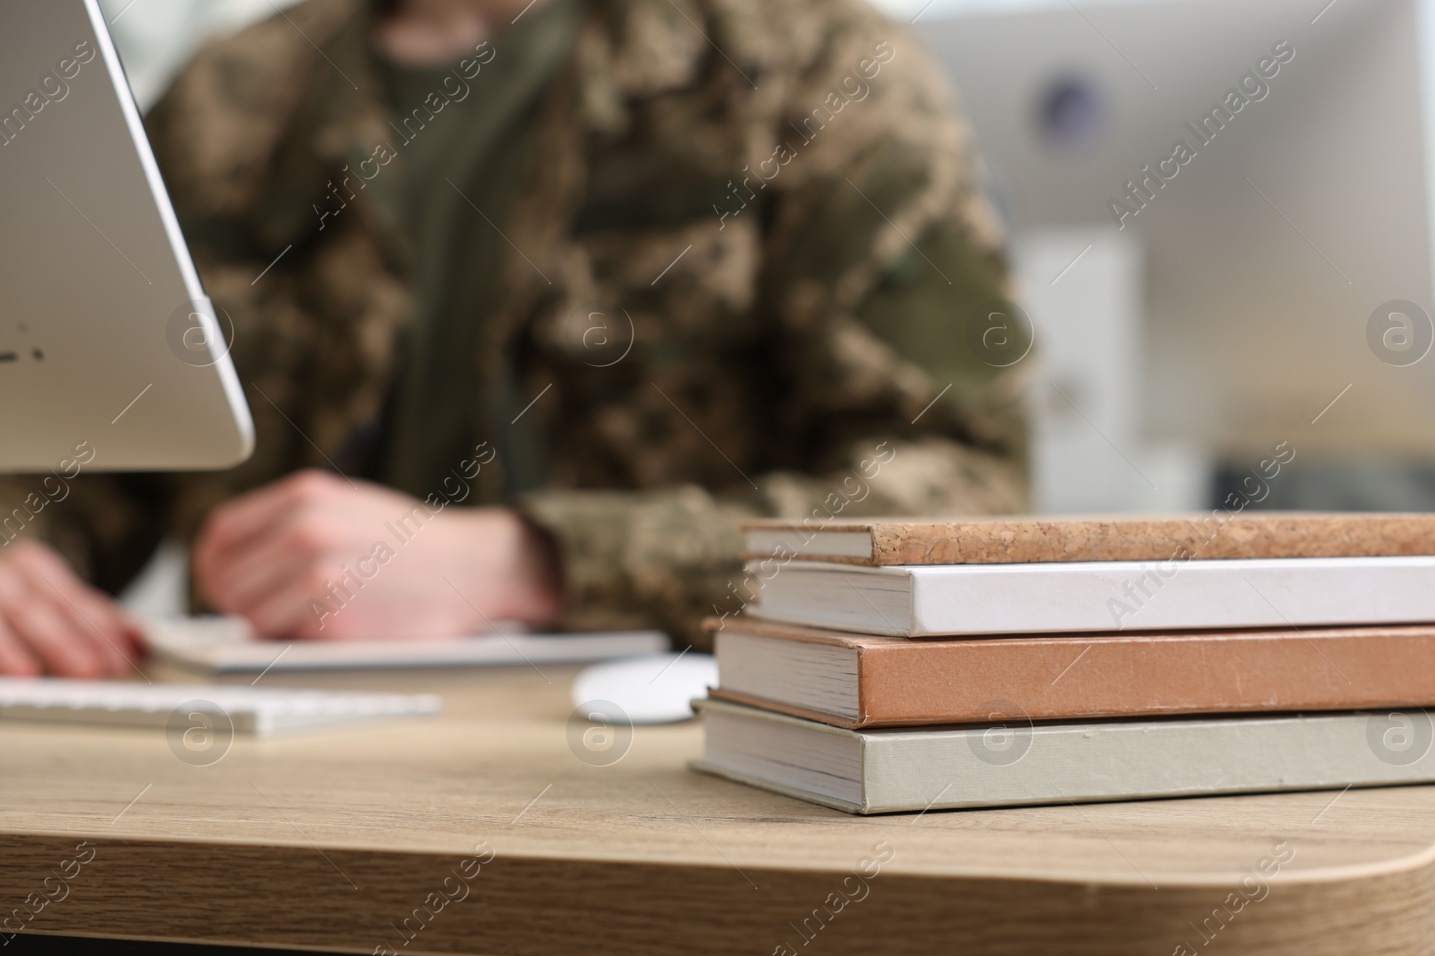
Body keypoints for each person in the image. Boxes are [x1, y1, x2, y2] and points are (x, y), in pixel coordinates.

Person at [0, 0, 1028, 677]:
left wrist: (531, 563)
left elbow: (974, 500)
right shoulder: (226, 102)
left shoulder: (815, 68)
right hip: (257, 783)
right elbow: (85, 464)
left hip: (661, 793)